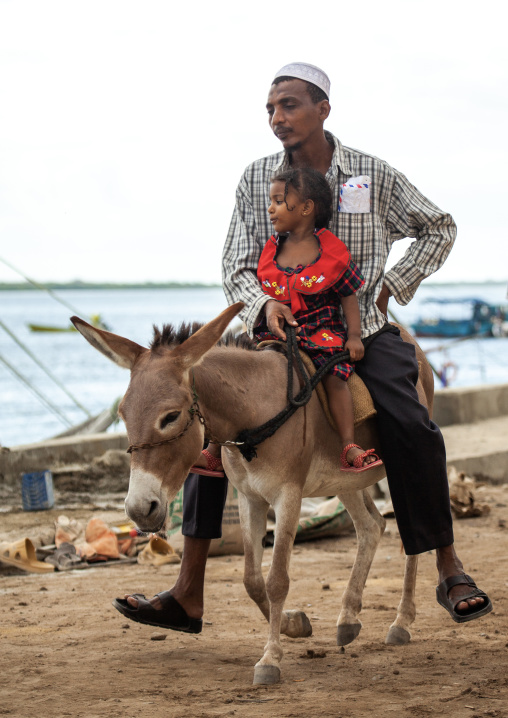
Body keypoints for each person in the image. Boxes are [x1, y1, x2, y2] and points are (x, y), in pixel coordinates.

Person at [115, 62, 491, 630]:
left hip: (357, 327)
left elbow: (439, 226)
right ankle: (188, 592)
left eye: (288, 105)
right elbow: (235, 264)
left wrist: (395, 283)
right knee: (207, 418)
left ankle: (447, 564)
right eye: (270, 109)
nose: (277, 118)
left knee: (411, 423)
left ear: (323, 110)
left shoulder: (372, 174)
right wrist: (264, 305)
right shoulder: (256, 178)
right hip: (275, 329)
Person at [255, 166, 382, 472]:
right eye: (270, 201)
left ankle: (349, 445)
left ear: (306, 208)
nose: (270, 208)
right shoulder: (272, 250)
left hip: (321, 331)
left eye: (278, 201)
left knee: (335, 376)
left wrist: (353, 336)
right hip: (280, 332)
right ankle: (217, 448)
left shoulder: (331, 252)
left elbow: (348, 295)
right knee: (243, 370)